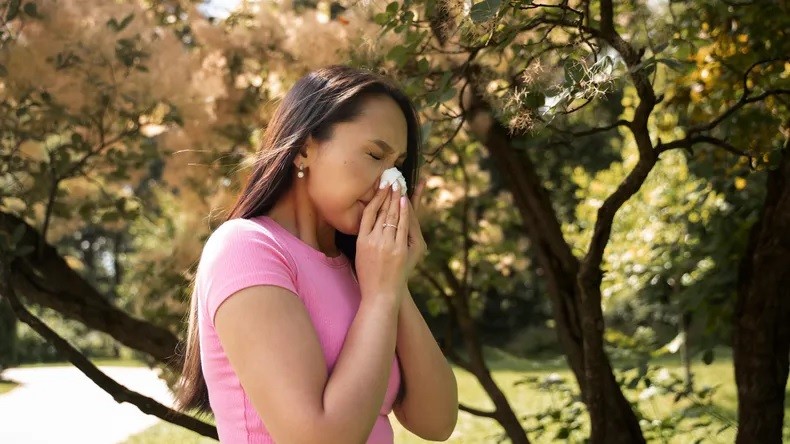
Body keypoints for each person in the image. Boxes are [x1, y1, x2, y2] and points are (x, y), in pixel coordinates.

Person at [175, 65, 459, 443]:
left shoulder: (363, 271)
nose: (391, 184)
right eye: (375, 155)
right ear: (305, 148)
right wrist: (379, 297)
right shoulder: (246, 248)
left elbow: (436, 421)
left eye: (397, 167)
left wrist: (394, 284)